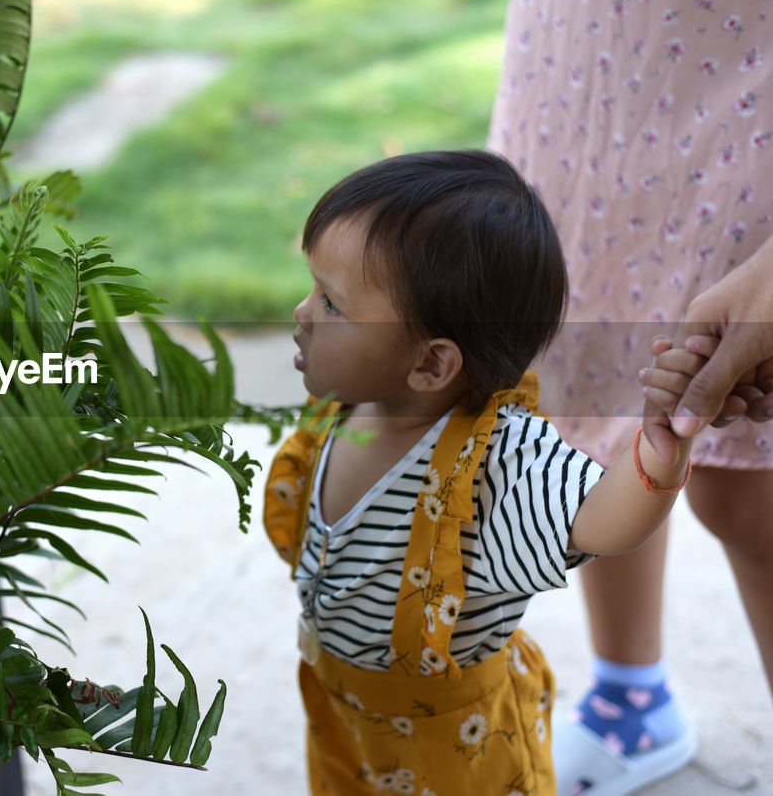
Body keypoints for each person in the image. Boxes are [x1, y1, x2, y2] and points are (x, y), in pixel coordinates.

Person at [263, 149, 696, 795]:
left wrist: (660, 449)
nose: (302, 312)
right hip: (341, 715)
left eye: (331, 304)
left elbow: (597, 521)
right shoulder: (348, 403)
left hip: (460, 754)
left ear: (432, 365)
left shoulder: (494, 462)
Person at [487, 0, 773, 793]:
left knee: (750, 479)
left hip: (750, 39)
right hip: (593, 22)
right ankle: (630, 702)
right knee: (585, 391)